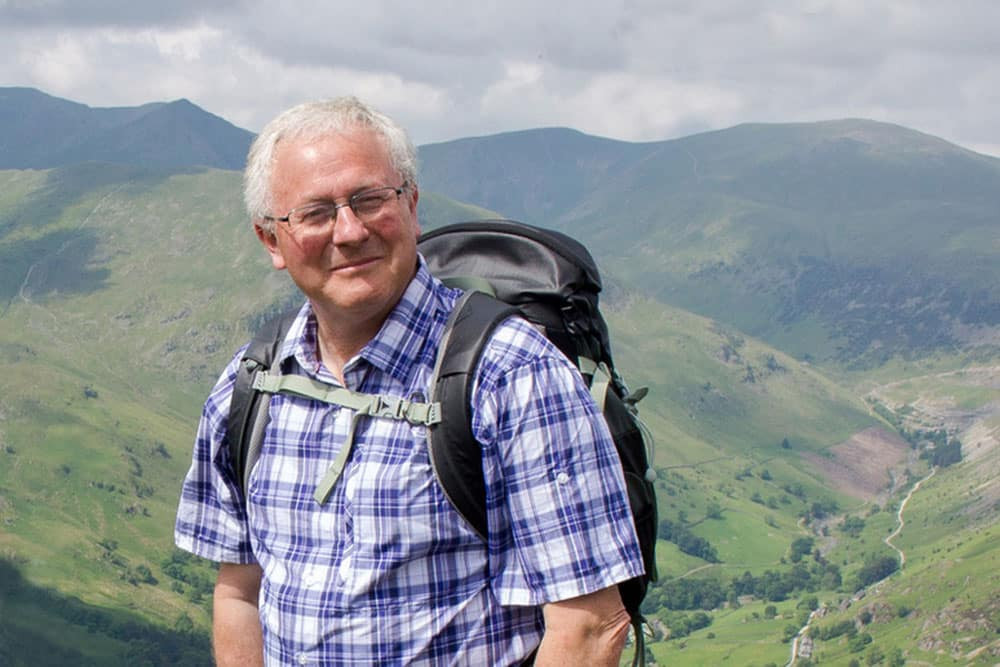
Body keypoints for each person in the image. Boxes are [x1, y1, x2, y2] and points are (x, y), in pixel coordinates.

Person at [174, 97, 644, 666]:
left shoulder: (511, 373)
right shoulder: (251, 384)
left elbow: (590, 626)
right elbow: (239, 592)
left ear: (412, 205)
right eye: (316, 213)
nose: (349, 231)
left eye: (370, 200)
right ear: (272, 240)